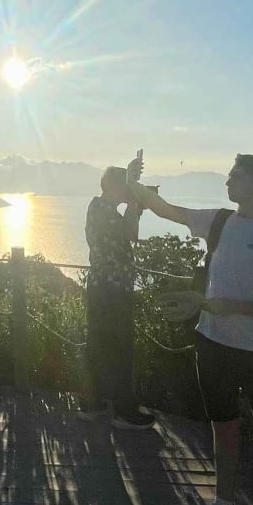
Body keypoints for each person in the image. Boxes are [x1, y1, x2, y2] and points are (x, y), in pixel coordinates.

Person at [126, 153, 253, 505]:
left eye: (235, 176)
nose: (227, 180)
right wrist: (133, 183)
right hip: (213, 343)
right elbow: (167, 210)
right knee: (223, 428)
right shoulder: (218, 222)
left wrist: (229, 306)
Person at [80, 157, 154, 429]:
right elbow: (130, 233)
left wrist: (133, 195)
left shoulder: (99, 207)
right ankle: (124, 411)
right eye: (126, 187)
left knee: (99, 344)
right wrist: (136, 204)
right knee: (121, 348)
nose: (128, 192)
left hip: (102, 285)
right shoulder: (103, 209)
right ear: (114, 187)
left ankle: (94, 403)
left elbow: (123, 232)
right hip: (113, 288)